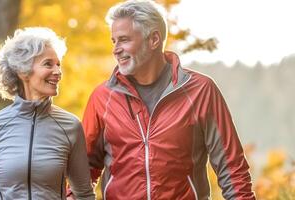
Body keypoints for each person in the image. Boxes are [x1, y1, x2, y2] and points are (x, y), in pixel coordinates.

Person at [82, 0, 256, 199]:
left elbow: (232, 169)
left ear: (154, 39)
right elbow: (81, 172)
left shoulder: (200, 91)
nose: (116, 49)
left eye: (124, 40)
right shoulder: (102, 98)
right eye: (114, 41)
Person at [0, 27, 95, 200]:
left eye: (58, 64)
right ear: (22, 71)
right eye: (48, 64)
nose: (57, 72)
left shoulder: (70, 126)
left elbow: (84, 193)